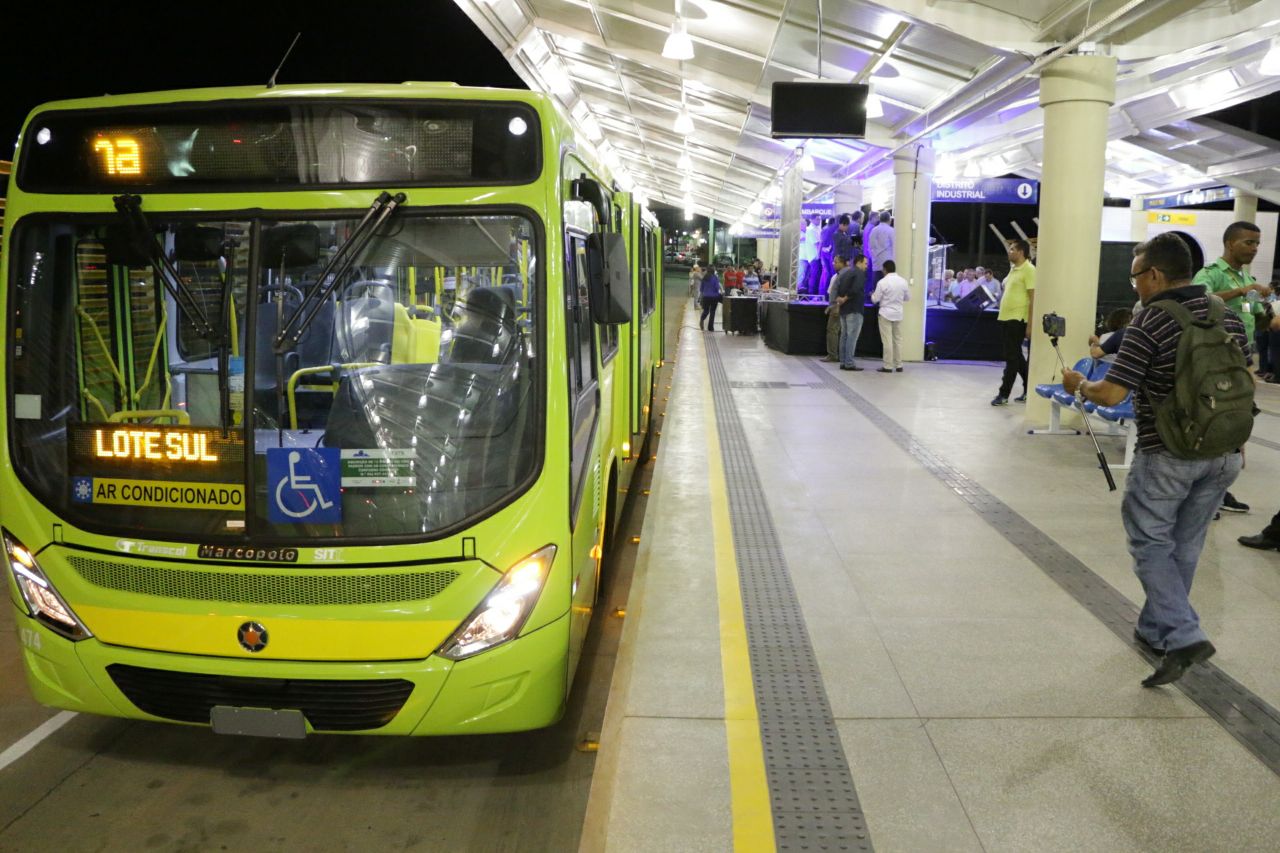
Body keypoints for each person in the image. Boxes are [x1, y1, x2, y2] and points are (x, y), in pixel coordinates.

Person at [1061, 232, 1248, 686]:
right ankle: (1155, 630)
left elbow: (1111, 393)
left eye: (1135, 278)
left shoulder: (1152, 322)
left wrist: (1078, 386)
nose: (1136, 287)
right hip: (1224, 453)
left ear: (1155, 275)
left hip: (1168, 453)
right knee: (1184, 545)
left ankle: (1183, 634)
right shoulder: (1228, 316)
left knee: (1150, 543)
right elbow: (1243, 382)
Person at [1193, 221, 1270, 514]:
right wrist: (1244, 291)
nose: (1254, 248)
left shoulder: (1243, 278)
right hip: (1216, 359)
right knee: (1215, 420)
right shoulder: (1211, 273)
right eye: (1249, 243)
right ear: (1230, 244)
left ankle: (1219, 488)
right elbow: (1200, 301)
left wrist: (1263, 307)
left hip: (1242, 358)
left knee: (1236, 422)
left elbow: (1253, 316)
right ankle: (1208, 491)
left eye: (1257, 244)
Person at [991, 239, 1035, 405]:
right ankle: (1028, 389)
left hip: (1018, 319)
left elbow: (1033, 299)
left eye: (1012, 249)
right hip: (1006, 317)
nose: (1009, 252)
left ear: (1021, 252)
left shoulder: (1029, 270)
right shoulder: (1013, 270)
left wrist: (1030, 324)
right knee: (1016, 356)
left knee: (1012, 358)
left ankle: (1003, 394)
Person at [871, 259, 910, 372]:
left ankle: (888, 366)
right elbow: (907, 298)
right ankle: (899, 365)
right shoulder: (903, 281)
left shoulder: (882, 282)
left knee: (887, 341)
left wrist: (872, 295)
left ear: (884, 269)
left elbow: (875, 299)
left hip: (885, 313)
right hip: (898, 313)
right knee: (898, 340)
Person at [835, 254, 867, 371]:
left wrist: (840, 298)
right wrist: (846, 298)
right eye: (865, 263)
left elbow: (838, 287)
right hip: (854, 309)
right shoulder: (859, 273)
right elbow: (856, 288)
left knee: (844, 336)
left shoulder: (845, 273)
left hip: (844, 309)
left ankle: (843, 361)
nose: (866, 266)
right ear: (859, 262)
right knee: (851, 337)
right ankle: (849, 362)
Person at [821, 255, 842, 362]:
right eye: (834, 262)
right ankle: (833, 354)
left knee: (833, 331)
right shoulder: (834, 277)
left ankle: (833, 354)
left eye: (836, 262)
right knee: (832, 330)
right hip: (834, 307)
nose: (834, 264)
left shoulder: (844, 277)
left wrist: (836, 306)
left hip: (839, 309)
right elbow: (830, 293)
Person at [868, 211, 895, 285]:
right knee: (887, 286)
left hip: (876, 262)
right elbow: (894, 247)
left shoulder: (874, 230)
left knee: (877, 286)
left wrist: (874, 257)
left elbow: (870, 247)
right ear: (889, 220)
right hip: (888, 263)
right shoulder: (891, 230)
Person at [798, 218, 818, 295]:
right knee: (801, 274)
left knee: (809, 275)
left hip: (810, 257)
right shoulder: (797, 233)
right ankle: (799, 290)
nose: (804, 226)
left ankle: (806, 290)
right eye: (803, 224)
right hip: (802, 257)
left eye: (805, 224)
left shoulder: (809, 231)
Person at [699, 266, 722, 331]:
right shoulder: (715, 277)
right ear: (713, 271)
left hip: (706, 297)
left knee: (706, 311)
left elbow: (701, 288)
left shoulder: (704, 277)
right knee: (712, 312)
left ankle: (702, 319)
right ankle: (710, 327)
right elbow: (717, 287)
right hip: (714, 297)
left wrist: (703, 295)